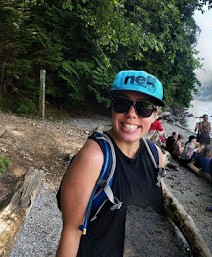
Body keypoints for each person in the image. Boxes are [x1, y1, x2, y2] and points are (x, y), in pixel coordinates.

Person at [57, 70, 167, 256]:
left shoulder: (155, 155)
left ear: (156, 115)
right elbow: (71, 233)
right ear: (112, 106)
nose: (131, 114)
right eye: (122, 103)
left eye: (144, 107)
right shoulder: (94, 157)